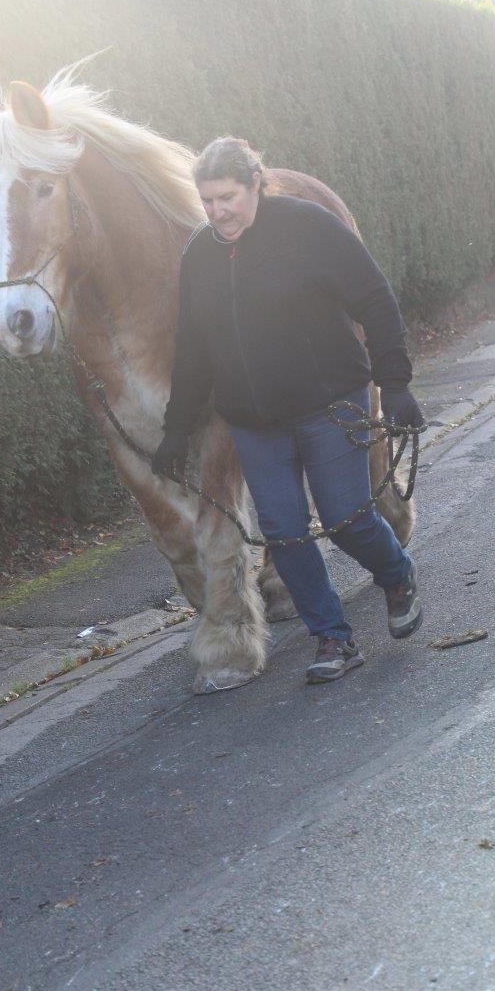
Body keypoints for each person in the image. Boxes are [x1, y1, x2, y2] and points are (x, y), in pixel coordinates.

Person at [152, 137, 424, 685]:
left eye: (227, 197)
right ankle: (333, 637)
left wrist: (394, 384)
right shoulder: (200, 254)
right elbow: (193, 349)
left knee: (347, 517)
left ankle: (396, 574)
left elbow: (374, 298)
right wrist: (176, 431)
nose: (217, 212)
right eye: (207, 202)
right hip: (255, 421)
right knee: (284, 530)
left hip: (329, 404)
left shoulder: (308, 228)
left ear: (256, 184)